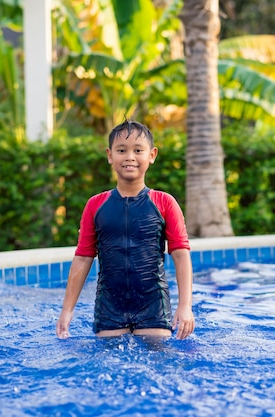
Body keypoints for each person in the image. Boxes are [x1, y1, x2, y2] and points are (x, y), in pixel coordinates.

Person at [56, 120, 195, 340]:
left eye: (138, 150)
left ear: (152, 155)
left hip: (153, 305)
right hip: (110, 306)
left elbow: (180, 254)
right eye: (122, 150)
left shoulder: (164, 203)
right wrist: (67, 310)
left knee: (158, 361)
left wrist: (185, 306)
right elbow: (83, 258)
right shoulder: (95, 205)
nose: (130, 156)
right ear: (110, 155)